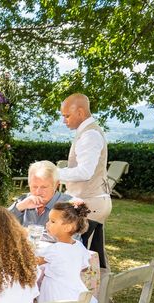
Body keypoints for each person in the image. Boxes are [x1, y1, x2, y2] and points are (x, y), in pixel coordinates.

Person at [58, 93, 111, 269]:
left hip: (90, 203)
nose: (64, 121)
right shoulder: (88, 132)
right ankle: (100, 293)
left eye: (67, 115)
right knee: (94, 253)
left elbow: (85, 172)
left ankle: (87, 295)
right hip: (93, 200)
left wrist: (53, 174)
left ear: (80, 112)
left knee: (82, 260)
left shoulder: (90, 135)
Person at [9, 160, 72, 227]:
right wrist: (20, 207)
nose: (38, 192)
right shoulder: (24, 200)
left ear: (56, 185)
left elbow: (73, 237)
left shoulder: (70, 205)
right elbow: (0, 222)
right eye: (34, 187)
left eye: (44, 187)